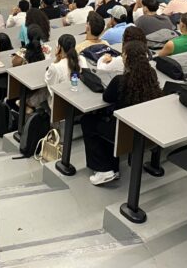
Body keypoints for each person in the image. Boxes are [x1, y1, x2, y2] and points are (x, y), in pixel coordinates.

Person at [82, 41, 161, 186]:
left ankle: (104, 169)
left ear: (127, 58)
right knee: (106, 121)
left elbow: (106, 97)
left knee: (89, 121)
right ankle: (113, 168)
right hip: (145, 127)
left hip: (124, 132)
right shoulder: (151, 75)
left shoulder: (121, 81)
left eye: (123, 54)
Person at [45, 34, 87, 105]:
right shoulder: (81, 59)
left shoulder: (56, 66)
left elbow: (48, 81)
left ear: (59, 48)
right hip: (78, 102)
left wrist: (56, 60)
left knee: (43, 91)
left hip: (60, 106)